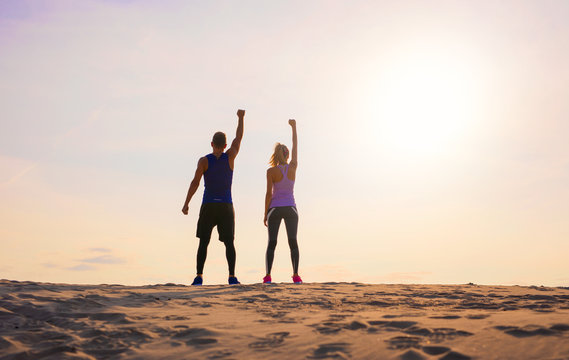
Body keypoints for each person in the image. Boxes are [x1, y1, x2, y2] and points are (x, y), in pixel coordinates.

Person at [182, 109, 245, 286]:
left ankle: (199, 276)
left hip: (209, 205)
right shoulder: (230, 156)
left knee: (204, 242)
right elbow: (239, 138)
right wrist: (240, 118)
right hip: (225, 206)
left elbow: (195, 182)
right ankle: (232, 276)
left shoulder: (204, 160)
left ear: (212, 143)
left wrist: (186, 203)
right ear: (225, 145)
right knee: (229, 243)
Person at [263, 119, 302, 284]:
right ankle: (296, 275)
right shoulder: (293, 166)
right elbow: (295, 145)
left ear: (276, 155)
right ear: (287, 155)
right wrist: (294, 127)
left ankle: (268, 276)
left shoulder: (271, 171)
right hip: (291, 208)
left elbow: (268, 194)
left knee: (272, 242)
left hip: (275, 209)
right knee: (293, 241)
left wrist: (265, 213)